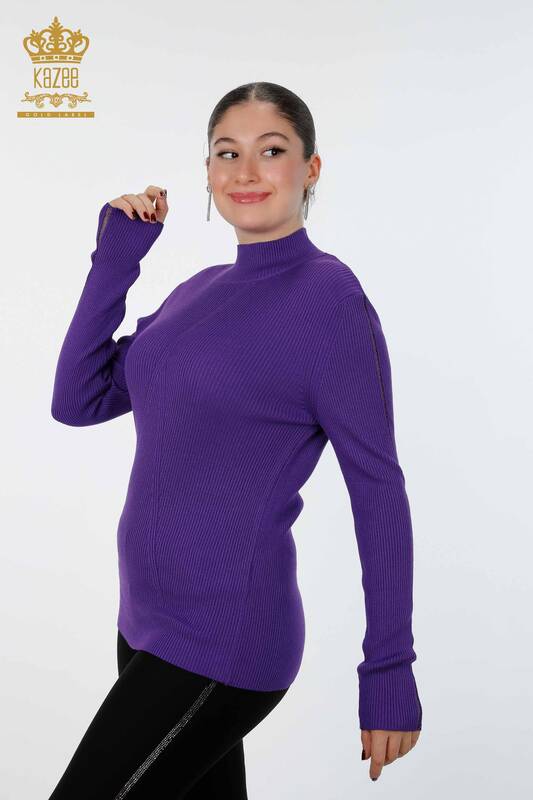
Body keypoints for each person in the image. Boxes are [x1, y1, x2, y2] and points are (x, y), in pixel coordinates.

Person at [49, 81, 422, 796]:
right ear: (207, 172)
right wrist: (116, 259)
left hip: (222, 637)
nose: (245, 172)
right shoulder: (198, 290)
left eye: (271, 151)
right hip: (142, 623)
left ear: (310, 168)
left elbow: (378, 491)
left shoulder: (330, 302)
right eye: (227, 153)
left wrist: (389, 670)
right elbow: (78, 399)